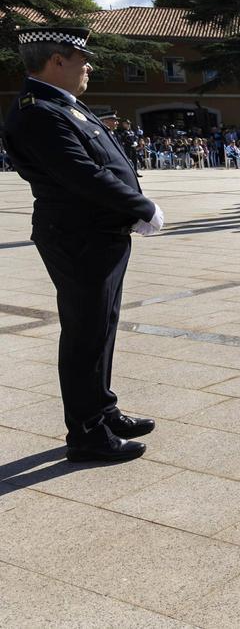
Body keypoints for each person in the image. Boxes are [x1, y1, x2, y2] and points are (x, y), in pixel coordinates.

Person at [4, 26, 161, 461]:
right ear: (56, 61)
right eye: (80, 58)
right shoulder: (38, 111)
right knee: (84, 334)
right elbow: (80, 174)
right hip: (78, 236)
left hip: (97, 233)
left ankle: (102, 409)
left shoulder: (62, 106)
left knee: (101, 327)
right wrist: (142, 206)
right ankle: (87, 434)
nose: (87, 65)